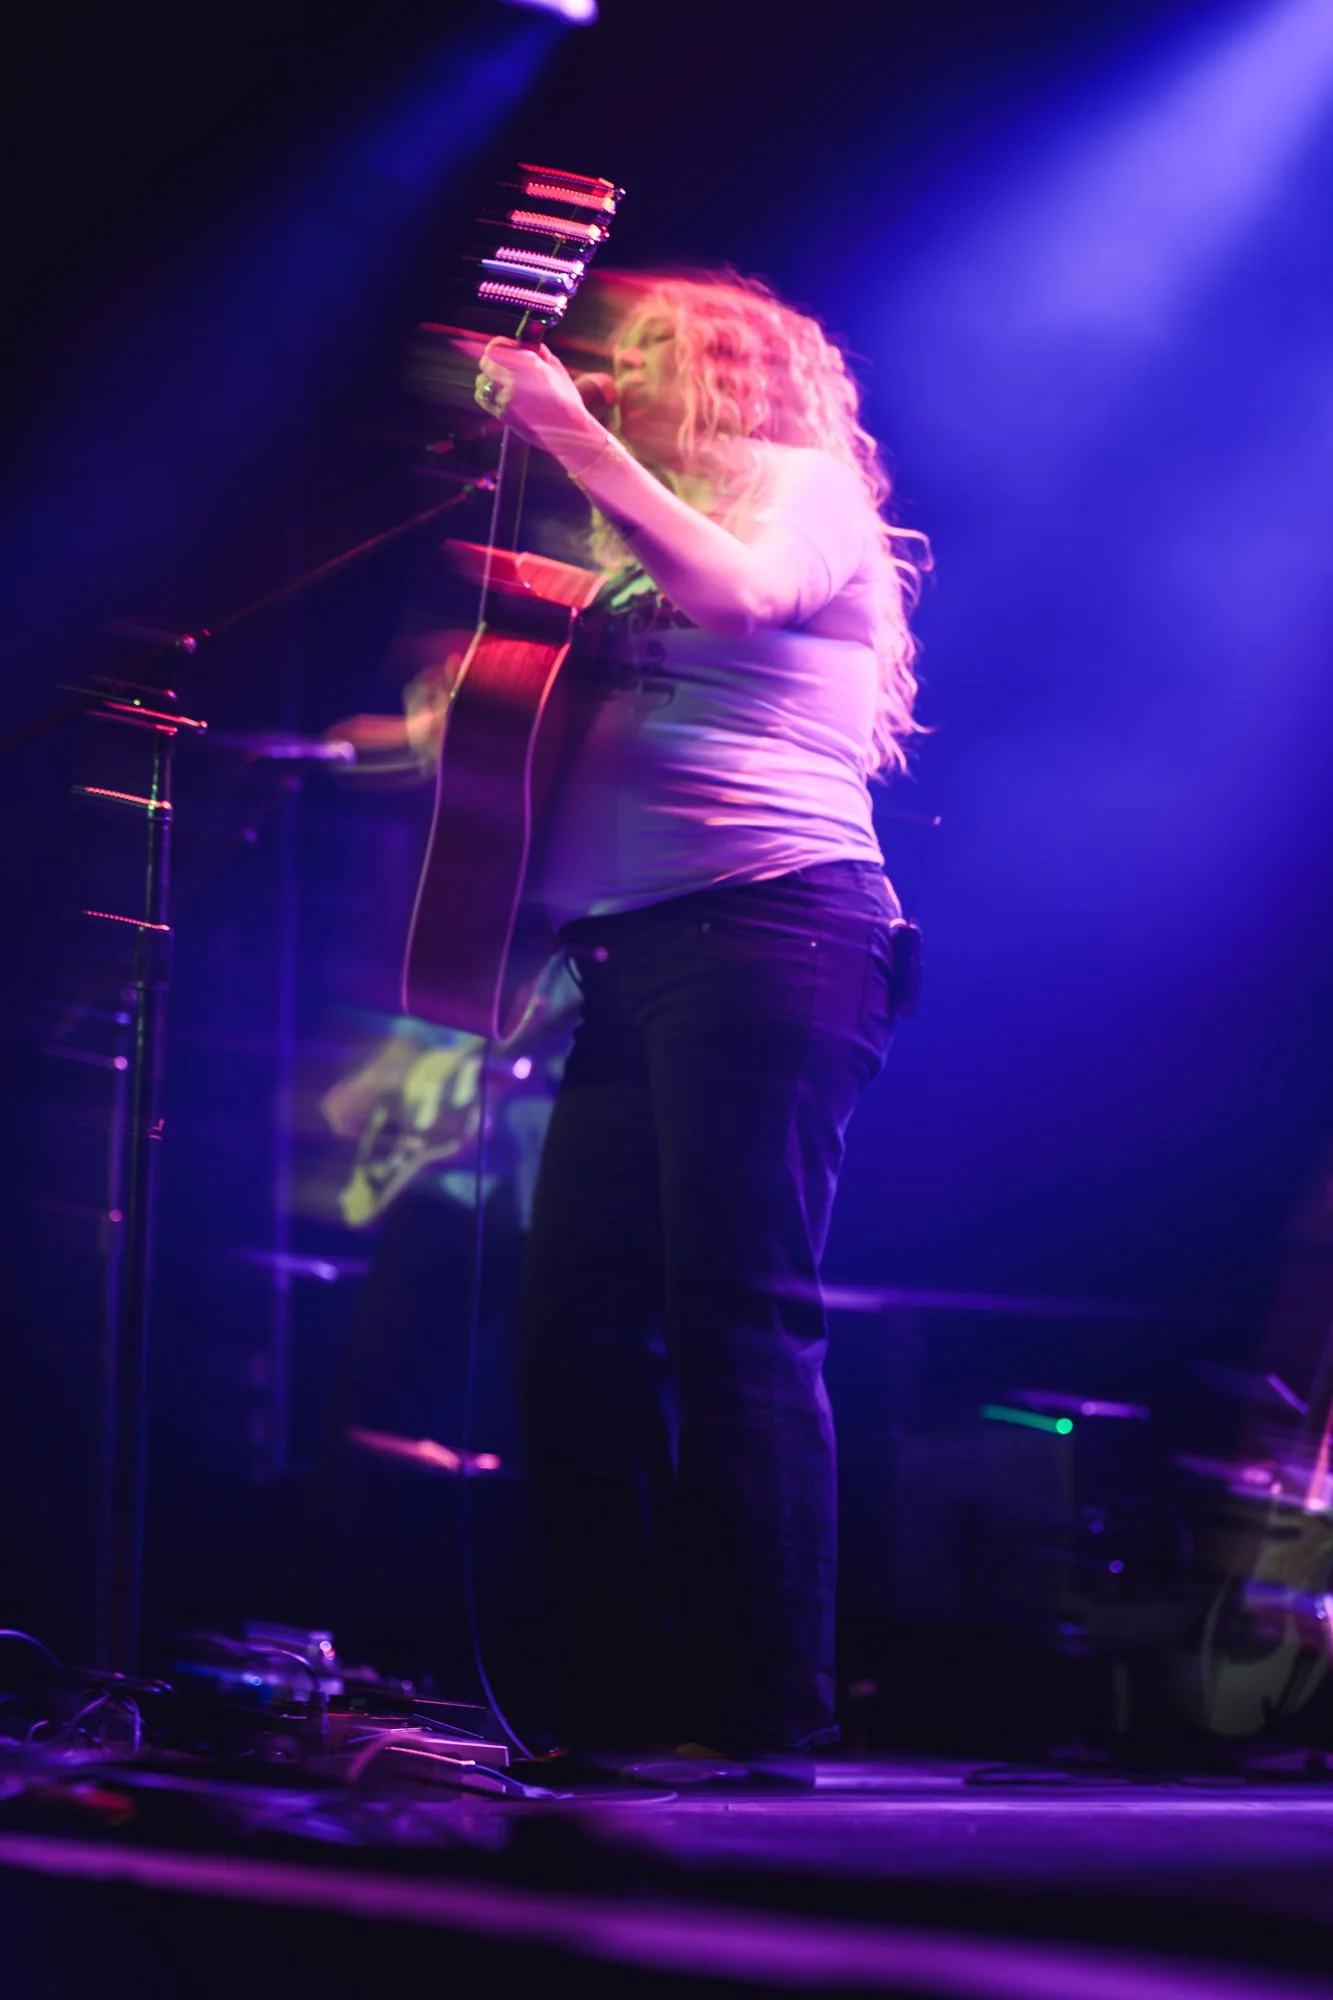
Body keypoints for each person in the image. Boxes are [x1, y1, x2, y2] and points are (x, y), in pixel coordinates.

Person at [468, 272, 929, 1763]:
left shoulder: (801, 489)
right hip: (634, 963)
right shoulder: (627, 554)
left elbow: (735, 599)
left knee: (733, 1314)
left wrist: (565, 431)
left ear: (733, 369)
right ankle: (629, 1702)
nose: (616, 374)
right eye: (611, 359)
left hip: (778, 932)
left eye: (648, 353)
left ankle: (764, 1717)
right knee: (572, 1334)